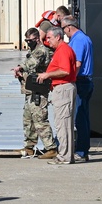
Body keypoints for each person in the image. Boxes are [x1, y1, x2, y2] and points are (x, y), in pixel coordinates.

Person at [13, 27, 57, 159]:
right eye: (26, 40)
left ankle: (51, 148)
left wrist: (20, 67)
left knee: (39, 119)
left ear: (37, 39)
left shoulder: (41, 51)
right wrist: (21, 73)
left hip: (38, 91)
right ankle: (29, 146)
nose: (28, 42)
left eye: (30, 40)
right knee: (28, 119)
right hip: (30, 90)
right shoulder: (32, 50)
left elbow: (31, 63)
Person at [37, 26, 77, 165]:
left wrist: (47, 74)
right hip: (63, 88)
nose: (48, 41)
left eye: (50, 38)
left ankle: (64, 157)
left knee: (62, 124)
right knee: (64, 124)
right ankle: (67, 155)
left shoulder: (63, 51)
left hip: (63, 89)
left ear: (58, 37)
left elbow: (65, 71)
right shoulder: (62, 50)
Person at [62, 15, 94, 162]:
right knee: (83, 117)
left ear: (69, 27)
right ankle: (83, 150)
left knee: (79, 118)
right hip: (85, 81)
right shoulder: (83, 38)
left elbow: (77, 63)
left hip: (80, 82)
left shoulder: (78, 40)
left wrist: (70, 80)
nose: (64, 32)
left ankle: (81, 151)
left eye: (63, 29)